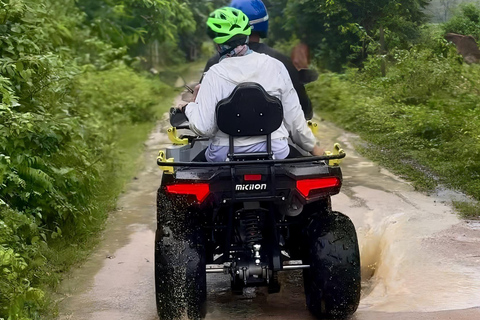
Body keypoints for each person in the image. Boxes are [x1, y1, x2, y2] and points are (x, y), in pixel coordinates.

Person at [183, 7, 323, 162]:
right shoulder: (275, 66)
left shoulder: (213, 75)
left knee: (191, 175)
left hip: (224, 155)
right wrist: (313, 148)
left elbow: (204, 128)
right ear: (246, 37)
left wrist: (191, 106)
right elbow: (294, 119)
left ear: (218, 44)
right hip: (276, 150)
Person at [203, 0, 313, 120]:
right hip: (275, 135)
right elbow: (303, 109)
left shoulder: (215, 63)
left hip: (225, 136)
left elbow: (202, 111)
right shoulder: (280, 62)